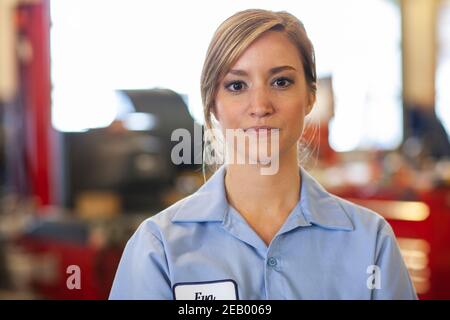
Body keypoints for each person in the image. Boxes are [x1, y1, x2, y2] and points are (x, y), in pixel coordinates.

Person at [109, 8, 417, 300]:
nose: (260, 106)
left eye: (281, 82)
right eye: (237, 85)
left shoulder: (370, 242)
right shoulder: (159, 247)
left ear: (310, 97)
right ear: (212, 104)